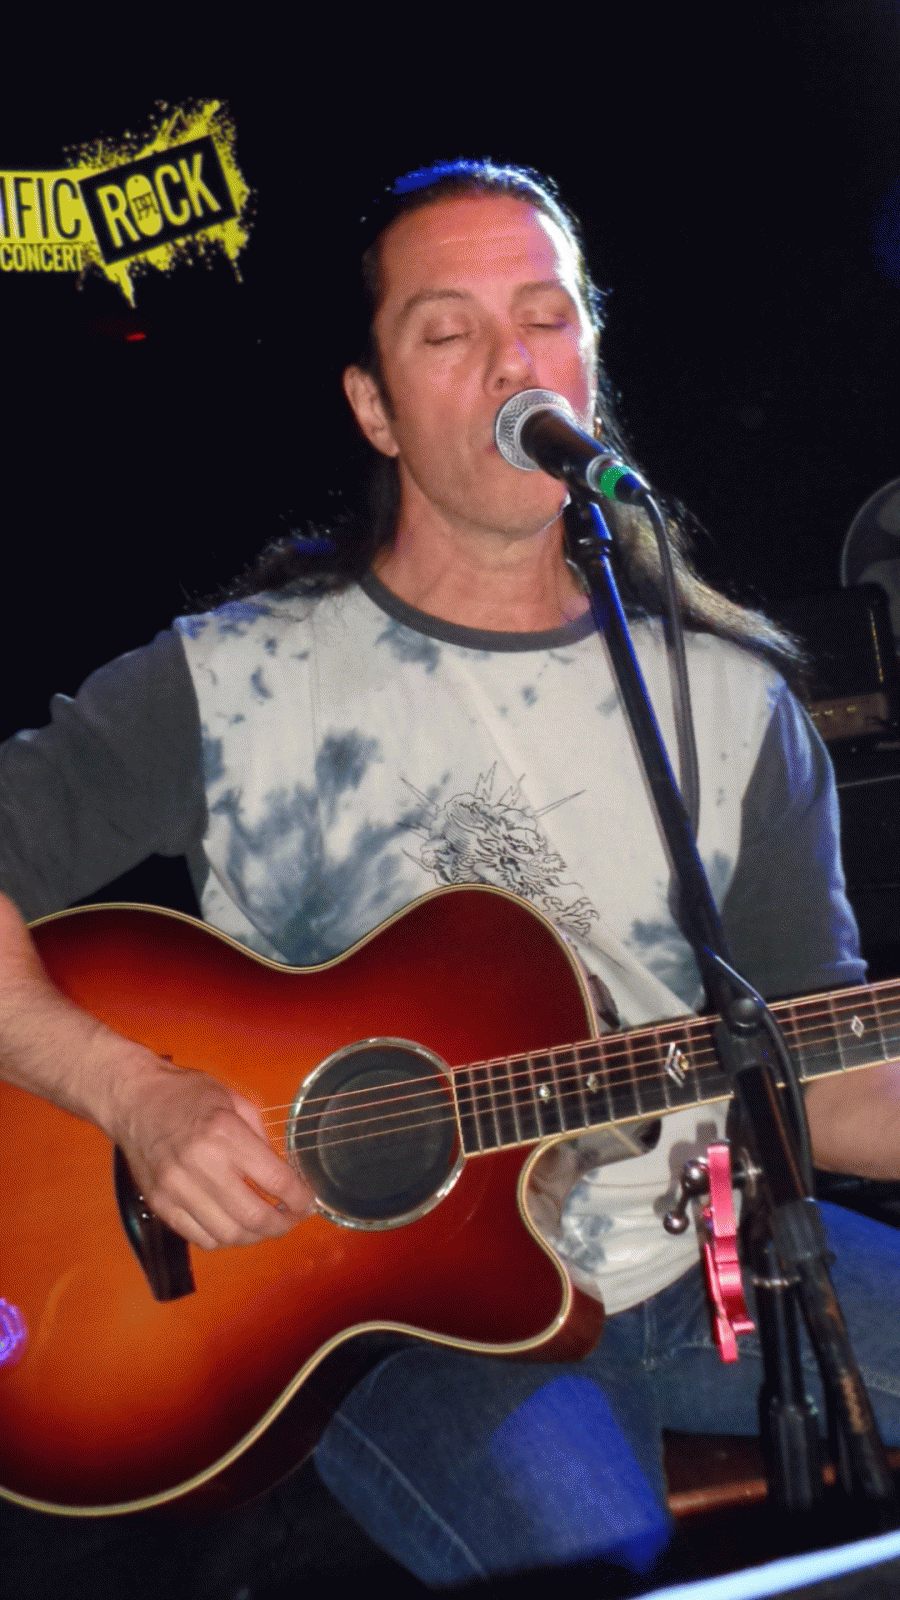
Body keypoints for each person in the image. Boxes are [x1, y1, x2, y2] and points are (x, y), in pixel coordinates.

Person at [0, 159, 898, 1591]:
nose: (510, 363)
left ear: (589, 357)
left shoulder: (733, 703)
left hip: (711, 1264)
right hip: (390, 1325)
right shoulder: (235, 680)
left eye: (544, 318)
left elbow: (823, 1072)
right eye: (447, 330)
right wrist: (132, 1092)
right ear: (374, 406)